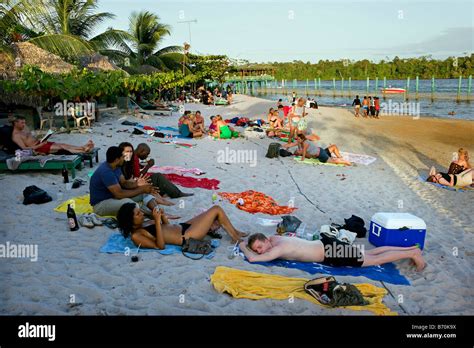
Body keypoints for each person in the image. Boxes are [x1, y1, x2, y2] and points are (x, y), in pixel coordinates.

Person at [239, 233, 426, 271]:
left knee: (373, 260)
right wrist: (251, 244)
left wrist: (242, 246)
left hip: (331, 252)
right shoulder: (274, 238)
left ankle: (412, 254)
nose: (260, 251)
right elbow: (260, 251)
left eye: (260, 248)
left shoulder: (277, 249)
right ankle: (411, 248)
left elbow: (254, 260)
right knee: (371, 252)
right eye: (258, 249)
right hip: (327, 244)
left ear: (265, 241)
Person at [89, 146, 174, 217]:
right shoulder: (106, 172)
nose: (124, 158)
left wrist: (138, 184)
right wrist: (141, 189)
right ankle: (155, 215)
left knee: (144, 194)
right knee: (131, 205)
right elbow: (119, 194)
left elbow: (124, 183)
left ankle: (159, 212)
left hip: (112, 198)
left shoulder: (115, 166)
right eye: (122, 157)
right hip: (101, 205)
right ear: (116, 159)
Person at [117, 204, 248, 249]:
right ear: (130, 220)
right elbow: (160, 246)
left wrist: (162, 217)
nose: (142, 214)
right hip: (186, 236)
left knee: (213, 214)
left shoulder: (143, 223)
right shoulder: (136, 235)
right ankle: (235, 238)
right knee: (216, 209)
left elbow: (166, 228)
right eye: (138, 214)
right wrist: (157, 221)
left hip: (183, 226)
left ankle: (235, 232)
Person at [119, 142, 193, 199]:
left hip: (131, 183)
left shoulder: (132, 158)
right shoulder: (134, 158)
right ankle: (178, 194)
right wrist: (148, 166)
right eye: (147, 154)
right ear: (141, 151)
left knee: (157, 178)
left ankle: (164, 193)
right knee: (158, 177)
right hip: (134, 184)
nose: (147, 156)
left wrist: (142, 166)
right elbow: (139, 176)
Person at [11, 116, 94, 155]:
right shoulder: (16, 136)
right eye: (22, 123)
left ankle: (82, 147)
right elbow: (24, 148)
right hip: (38, 147)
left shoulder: (24, 128)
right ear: (15, 123)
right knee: (62, 148)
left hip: (40, 142)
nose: (24, 124)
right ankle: (83, 150)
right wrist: (39, 145)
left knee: (63, 144)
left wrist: (43, 137)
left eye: (24, 122)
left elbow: (32, 136)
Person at [286, 133, 352, 166]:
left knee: (333, 160)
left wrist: (301, 158)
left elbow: (303, 152)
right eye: (297, 151)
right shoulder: (304, 151)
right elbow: (310, 156)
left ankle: (344, 161)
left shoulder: (304, 147)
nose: (298, 149)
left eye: (297, 150)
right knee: (333, 147)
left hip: (321, 153)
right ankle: (340, 158)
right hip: (321, 151)